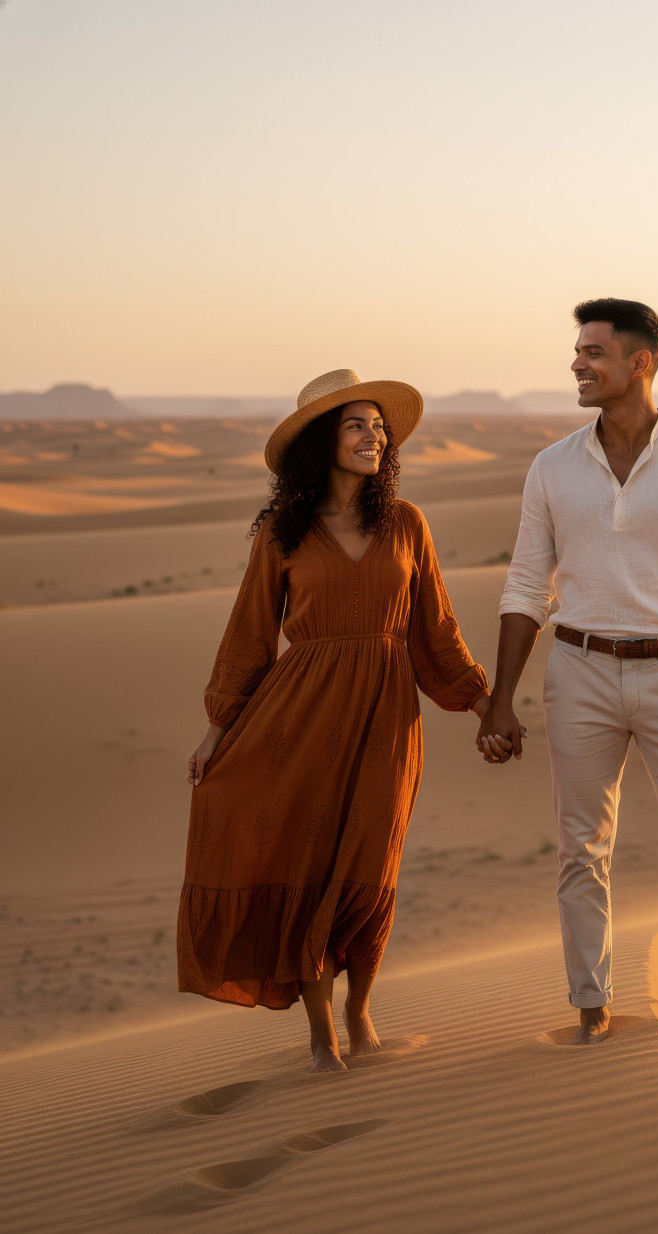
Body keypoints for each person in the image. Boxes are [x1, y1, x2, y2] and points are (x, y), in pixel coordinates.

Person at [178, 369, 489, 1072]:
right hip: (300, 716)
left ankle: (361, 1013)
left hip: (386, 718)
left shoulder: (407, 524)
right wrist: (216, 734)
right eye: (357, 425)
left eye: (379, 427)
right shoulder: (281, 535)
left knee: (371, 868)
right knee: (312, 869)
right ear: (324, 441)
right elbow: (249, 638)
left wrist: (483, 704)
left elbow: (436, 628)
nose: (373, 437)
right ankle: (322, 1036)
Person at [477, 299, 658, 1052]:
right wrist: (499, 700)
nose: (578, 364)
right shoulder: (552, 466)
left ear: (641, 362)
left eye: (593, 353)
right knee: (580, 849)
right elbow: (525, 586)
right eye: (576, 352)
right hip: (578, 670)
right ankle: (592, 1008)